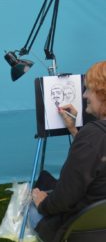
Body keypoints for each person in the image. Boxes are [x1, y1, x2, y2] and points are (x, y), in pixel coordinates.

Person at [29, 61, 106, 242]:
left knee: (29, 205)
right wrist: (74, 131)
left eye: (89, 89)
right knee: (47, 183)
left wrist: (42, 205)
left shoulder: (94, 135)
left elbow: (65, 199)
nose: (85, 95)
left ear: (103, 94)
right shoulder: (93, 137)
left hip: (81, 227)